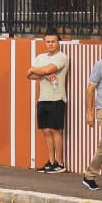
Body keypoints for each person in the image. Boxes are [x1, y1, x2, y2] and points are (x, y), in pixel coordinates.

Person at [27, 32, 70, 173]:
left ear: (58, 42)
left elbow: (49, 69)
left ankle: (60, 163)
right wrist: (43, 74)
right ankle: (51, 162)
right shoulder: (40, 57)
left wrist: (36, 70)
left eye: (53, 41)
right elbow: (29, 75)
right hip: (43, 99)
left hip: (57, 98)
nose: (50, 44)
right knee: (46, 131)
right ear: (44, 42)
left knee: (55, 130)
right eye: (48, 41)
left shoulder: (61, 57)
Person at [84, 55, 102, 190]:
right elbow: (91, 88)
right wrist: (89, 112)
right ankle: (89, 175)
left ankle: (89, 176)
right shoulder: (100, 64)